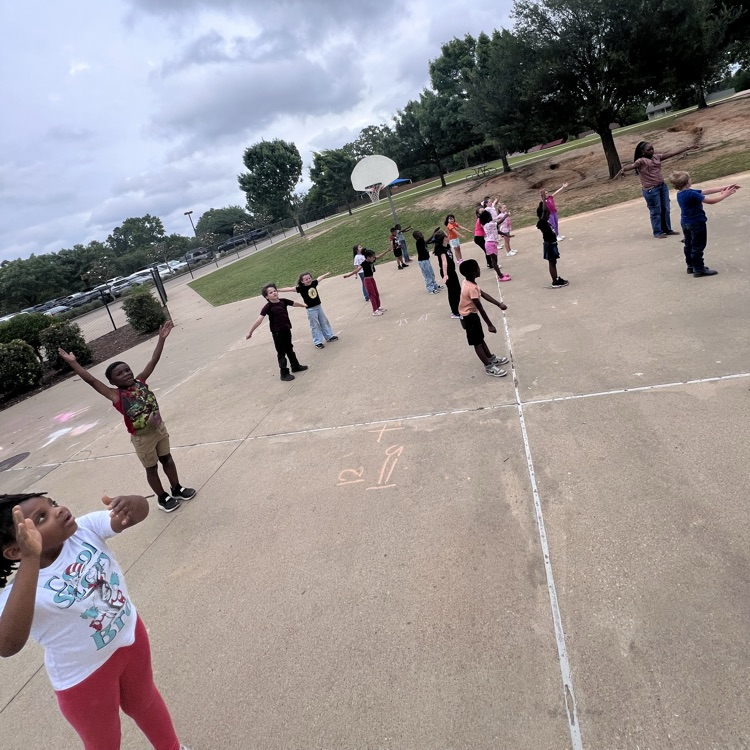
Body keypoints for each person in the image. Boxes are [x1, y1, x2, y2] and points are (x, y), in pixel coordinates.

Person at [0, 491, 192, 750]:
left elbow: (137, 514)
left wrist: (131, 503)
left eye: (53, 504)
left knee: (145, 702)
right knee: (104, 742)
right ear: (14, 551)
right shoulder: (17, 593)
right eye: (42, 517)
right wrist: (31, 557)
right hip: (84, 679)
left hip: (130, 639)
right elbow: (8, 644)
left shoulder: (85, 530)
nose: (58, 510)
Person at [58, 323, 195, 514]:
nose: (126, 374)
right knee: (152, 468)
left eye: (127, 370)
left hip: (159, 429)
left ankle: (176, 488)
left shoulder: (141, 381)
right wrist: (73, 363)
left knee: (168, 459)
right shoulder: (116, 396)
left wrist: (161, 339)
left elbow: (153, 361)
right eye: (120, 374)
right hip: (142, 437)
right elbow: (91, 381)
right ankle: (162, 497)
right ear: (113, 382)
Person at [617, 141, 698, 238]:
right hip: (651, 190)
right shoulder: (641, 161)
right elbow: (633, 165)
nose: (651, 151)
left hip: (662, 186)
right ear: (642, 151)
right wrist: (623, 169)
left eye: (652, 148)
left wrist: (688, 147)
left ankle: (667, 230)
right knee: (656, 211)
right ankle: (657, 232)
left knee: (666, 209)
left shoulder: (656, 157)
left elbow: (671, 153)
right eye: (648, 150)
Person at [670, 171, 740, 277]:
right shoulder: (691, 193)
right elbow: (711, 201)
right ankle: (699, 269)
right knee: (698, 246)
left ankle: (691, 266)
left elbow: (704, 191)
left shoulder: (682, 193)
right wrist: (725, 195)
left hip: (685, 223)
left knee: (689, 245)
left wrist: (724, 187)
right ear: (687, 182)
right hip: (696, 223)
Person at [458, 259, 510, 378]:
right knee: (477, 343)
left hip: (471, 315)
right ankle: (489, 367)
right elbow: (480, 308)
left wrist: (499, 304)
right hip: (469, 317)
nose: (479, 269)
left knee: (480, 339)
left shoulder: (468, 282)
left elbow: (484, 294)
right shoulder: (470, 288)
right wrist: (490, 324)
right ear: (473, 273)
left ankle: (491, 358)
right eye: (477, 268)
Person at [246, 283, 309, 381]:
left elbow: (294, 303)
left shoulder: (283, 301)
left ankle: (295, 366)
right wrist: (250, 332)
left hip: (287, 330)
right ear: (266, 297)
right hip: (277, 333)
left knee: (289, 348)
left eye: (275, 291)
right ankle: (284, 373)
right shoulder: (268, 307)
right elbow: (259, 320)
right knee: (281, 352)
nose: (274, 293)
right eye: (271, 292)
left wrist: (303, 305)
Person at [278, 272, 339, 349]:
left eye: (309, 278)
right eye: (306, 279)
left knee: (324, 321)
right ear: (302, 281)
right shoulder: (300, 288)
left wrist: (326, 274)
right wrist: (278, 290)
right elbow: (289, 289)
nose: (308, 280)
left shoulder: (313, 283)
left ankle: (329, 336)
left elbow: (319, 278)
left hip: (319, 307)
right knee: (315, 325)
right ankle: (318, 342)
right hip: (311, 309)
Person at [343, 248, 390, 315]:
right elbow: (356, 270)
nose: (374, 258)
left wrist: (387, 250)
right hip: (367, 281)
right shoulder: (364, 263)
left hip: (372, 279)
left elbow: (379, 256)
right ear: (368, 257)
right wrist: (348, 275)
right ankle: (375, 310)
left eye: (374, 257)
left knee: (376, 293)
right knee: (372, 295)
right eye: (372, 257)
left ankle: (378, 307)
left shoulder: (371, 260)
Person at [536, 202, 569, 288]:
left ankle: (556, 278)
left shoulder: (545, 222)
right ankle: (554, 281)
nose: (549, 215)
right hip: (549, 245)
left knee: (554, 262)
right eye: (547, 213)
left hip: (552, 244)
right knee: (552, 263)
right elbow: (543, 214)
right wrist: (543, 197)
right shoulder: (541, 223)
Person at [433, 231, 462, 319]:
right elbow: (444, 262)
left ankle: (459, 308)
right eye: (446, 235)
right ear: (444, 238)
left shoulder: (447, 246)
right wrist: (445, 275)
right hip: (447, 273)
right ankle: (455, 312)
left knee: (457, 290)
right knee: (452, 292)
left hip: (452, 271)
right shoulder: (440, 249)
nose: (448, 236)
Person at [479, 209, 511, 283]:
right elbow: (499, 222)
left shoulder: (490, 224)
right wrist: (505, 216)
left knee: (495, 261)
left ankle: (500, 274)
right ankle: (500, 276)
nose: (491, 217)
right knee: (494, 261)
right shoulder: (488, 224)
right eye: (490, 216)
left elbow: (497, 231)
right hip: (490, 244)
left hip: (492, 243)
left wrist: (506, 234)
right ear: (487, 218)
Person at [412, 230, 441, 294]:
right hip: (423, 261)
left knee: (431, 274)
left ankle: (435, 286)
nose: (422, 235)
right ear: (417, 237)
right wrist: (433, 233)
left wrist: (435, 239)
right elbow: (427, 241)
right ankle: (430, 289)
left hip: (426, 260)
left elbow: (428, 242)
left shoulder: (421, 241)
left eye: (421, 233)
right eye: (420, 235)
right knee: (427, 275)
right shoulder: (419, 242)